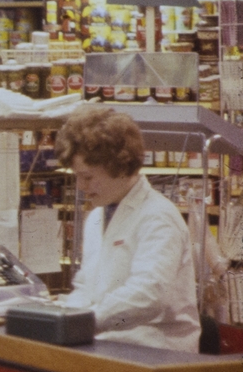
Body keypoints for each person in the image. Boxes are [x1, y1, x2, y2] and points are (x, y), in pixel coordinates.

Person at [55, 105, 200, 352]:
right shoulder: (97, 217)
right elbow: (87, 286)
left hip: (156, 351)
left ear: (119, 167)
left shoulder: (158, 217)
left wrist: (92, 322)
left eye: (88, 177)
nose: (80, 186)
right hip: (106, 344)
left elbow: (148, 298)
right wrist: (63, 315)